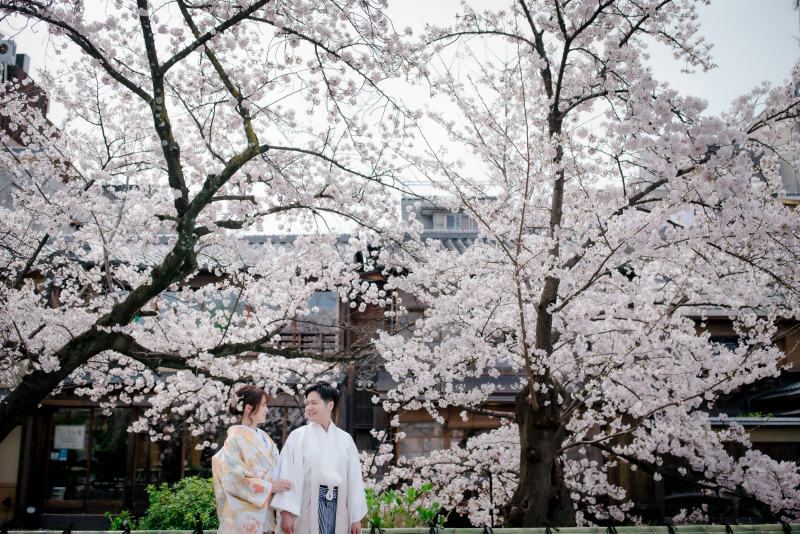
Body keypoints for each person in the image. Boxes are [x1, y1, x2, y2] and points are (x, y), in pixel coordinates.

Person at [271, 383, 367, 534]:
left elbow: (354, 480)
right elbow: (286, 475)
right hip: (305, 505)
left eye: (314, 403)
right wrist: (286, 512)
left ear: (330, 405)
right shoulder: (297, 437)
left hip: (338, 506)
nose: (309, 408)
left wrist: (355, 518)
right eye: (307, 403)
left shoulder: (346, 439)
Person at [212, 385, 293, 534]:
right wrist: (271, 487)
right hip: (244, 516)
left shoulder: (265, 438)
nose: (267, 410)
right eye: (263, 405)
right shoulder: (234, 440)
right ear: (249, 408)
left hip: (267, 512)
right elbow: (233, 479)